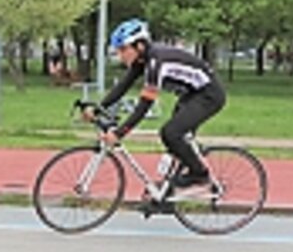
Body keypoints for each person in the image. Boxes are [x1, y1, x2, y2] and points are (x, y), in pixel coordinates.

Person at [83, 18, 226, 190]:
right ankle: (167, 192)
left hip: (209, 95)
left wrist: (120, 133)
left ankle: (199, 174)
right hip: (190, 95)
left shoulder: (157, 62)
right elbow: (123, 86)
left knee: (170, 133)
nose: (120, 55)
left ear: (140, 46)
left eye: (123, 50)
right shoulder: (142, 59)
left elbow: (145, 105)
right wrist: (99, 108)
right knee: (174, 141)